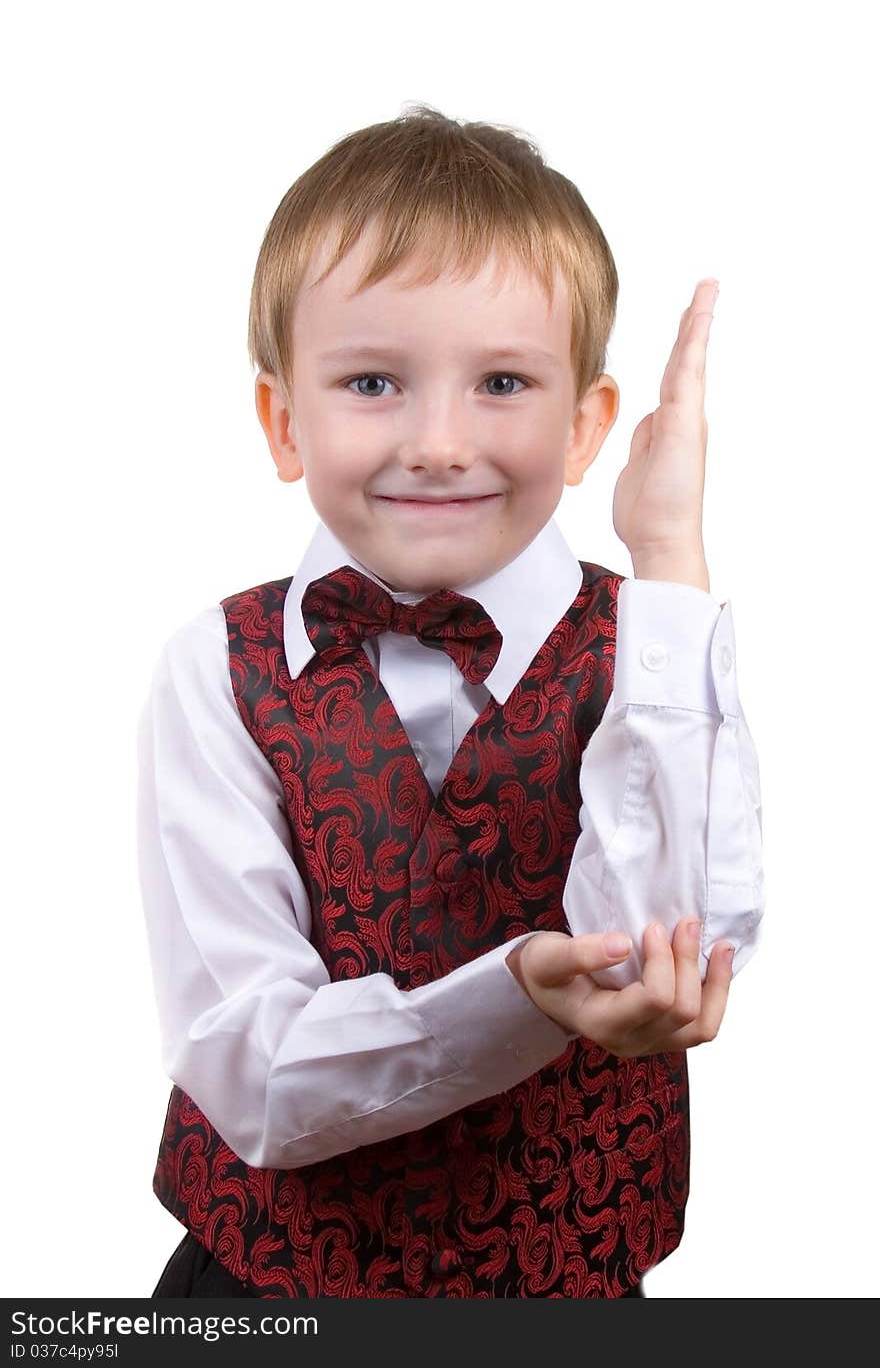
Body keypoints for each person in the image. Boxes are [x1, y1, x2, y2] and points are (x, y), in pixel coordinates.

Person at [138, 104, 764, 1299]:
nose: (436, 441)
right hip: (263, 1288)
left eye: (502, 383)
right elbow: (254, 1071)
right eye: (373, 380)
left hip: (570, 1282)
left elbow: (685, 943)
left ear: (584, 425)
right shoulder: (218, 671)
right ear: (283, 421)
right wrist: (516, 990)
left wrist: (669, 550)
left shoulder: (648, 646)